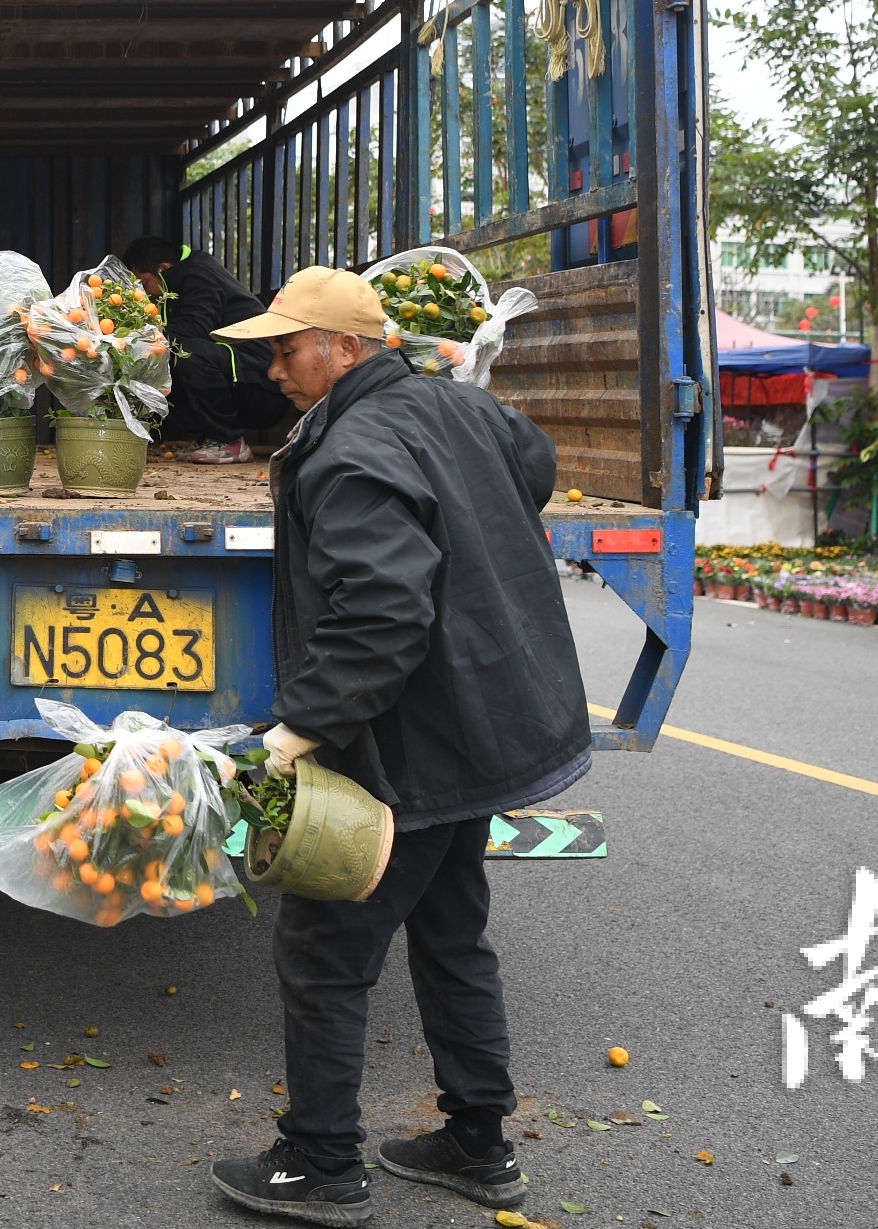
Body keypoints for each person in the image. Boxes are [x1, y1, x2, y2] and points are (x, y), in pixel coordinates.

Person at [201, 266, 590, 1226]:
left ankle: (323, 1162)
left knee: (326, 944)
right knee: (453, 930)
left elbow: (379, 616)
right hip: (487, 719)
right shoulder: (460, 411)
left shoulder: (353, 450)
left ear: (347, 347)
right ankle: (477, 1142)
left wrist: (301, 730)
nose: (275, 371)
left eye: (288, 350)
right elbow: (531, 464)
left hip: (415, 737)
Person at [116, 235, 290, 463]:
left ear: (163, 268)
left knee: (187, 352)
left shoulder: (199, 274)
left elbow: (195, 328)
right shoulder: (177, 281)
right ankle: (211, 440)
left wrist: (140, 337)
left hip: (263, 387)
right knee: (165, 359)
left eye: (144, 283)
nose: (145, 292)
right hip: (237, 377)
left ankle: (229, 441)